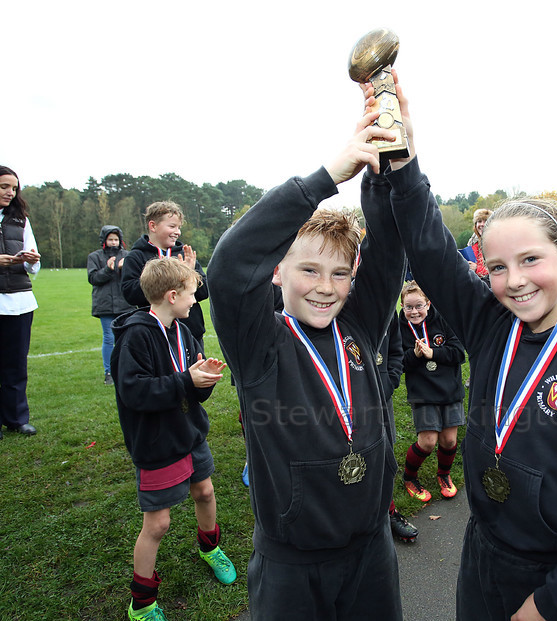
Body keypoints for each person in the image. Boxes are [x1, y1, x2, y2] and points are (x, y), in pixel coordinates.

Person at [387, 80, 557, 621]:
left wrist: (553, 604)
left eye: (531, 259)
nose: (514, 281)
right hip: (484, 561)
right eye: (497, 267)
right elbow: (429, 247)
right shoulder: (492, 327)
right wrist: (403, 159)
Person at [207, 93, 406, 620]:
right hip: (293, 565)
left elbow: (390, 249)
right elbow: (230, 266)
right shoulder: (259, 343)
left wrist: (385, 167)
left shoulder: (360, 327)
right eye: (309, 271)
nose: (326, 288)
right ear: (279, 272)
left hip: (371, 551)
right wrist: (330, 174)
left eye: (340, 273)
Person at [112, 258, 235, 621]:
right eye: (192, 295)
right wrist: (186, 381)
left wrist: (203, 380)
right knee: (158, 524)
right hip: (157, 442)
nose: (195, 301)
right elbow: (133, 392)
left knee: (206, 492)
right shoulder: (136, 335)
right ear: (171, 295)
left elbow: (190, 388)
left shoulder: (183, 331)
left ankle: (210, 548)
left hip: (190, 432)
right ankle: (142, 602)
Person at [399, 280, 465, 503]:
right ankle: (409, 477)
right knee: (427, 441)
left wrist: (433, 353)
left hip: (449, 389)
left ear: (428, 303)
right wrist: (415, 356)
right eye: (408, 307)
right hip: (422, 391)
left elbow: (459, 353)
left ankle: (444, 475)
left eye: (419, 305)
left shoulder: (443, 320)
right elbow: (399, 363)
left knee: (448, 440)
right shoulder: (400, 329)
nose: (414, 311)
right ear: (402, 307)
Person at [121, 201, 208, 346]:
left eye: (179, 227)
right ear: (153, 226)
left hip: (191, 333)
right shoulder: (136, 257)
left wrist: (190, 274)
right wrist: (175, 278)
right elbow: (130, 293)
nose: (178, 232)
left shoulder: (185, 255)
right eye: (172, 226)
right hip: (154, 333)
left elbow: (204, 292)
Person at [0, 166, 41, 438]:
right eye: (4, 186)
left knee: (16, 365)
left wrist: (32, 260)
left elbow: (35, 265)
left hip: (21, 303)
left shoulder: (20, 220)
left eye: (14, 188)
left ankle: (17, 418)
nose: (10, 193)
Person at [378, 310, 419, 543]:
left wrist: (390, 380)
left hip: (382, 399)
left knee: (385, 457)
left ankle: (388, 512)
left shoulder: (388, 312)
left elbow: (396, 350)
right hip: (345, 399)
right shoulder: (341, 302)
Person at [87, 225, 135, 385]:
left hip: (125, 304)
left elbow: (135, 276)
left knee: (125, 338)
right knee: (108, 338)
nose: (113, 242)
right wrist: (108, 269)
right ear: (104, 240)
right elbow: (93, 278)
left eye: (116, 239)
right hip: (105, 304)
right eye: (110, 239)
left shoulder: (127, 256)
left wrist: (124, 267)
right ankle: (109, 372)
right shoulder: (94, 257)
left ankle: (125, 369)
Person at [458, 208, 491, 278]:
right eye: (479, 221)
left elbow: (498, 271)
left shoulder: (496, 243)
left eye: (485, 221)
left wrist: (476, 268)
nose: (482, 224)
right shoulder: (472, 242)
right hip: (474, 282)